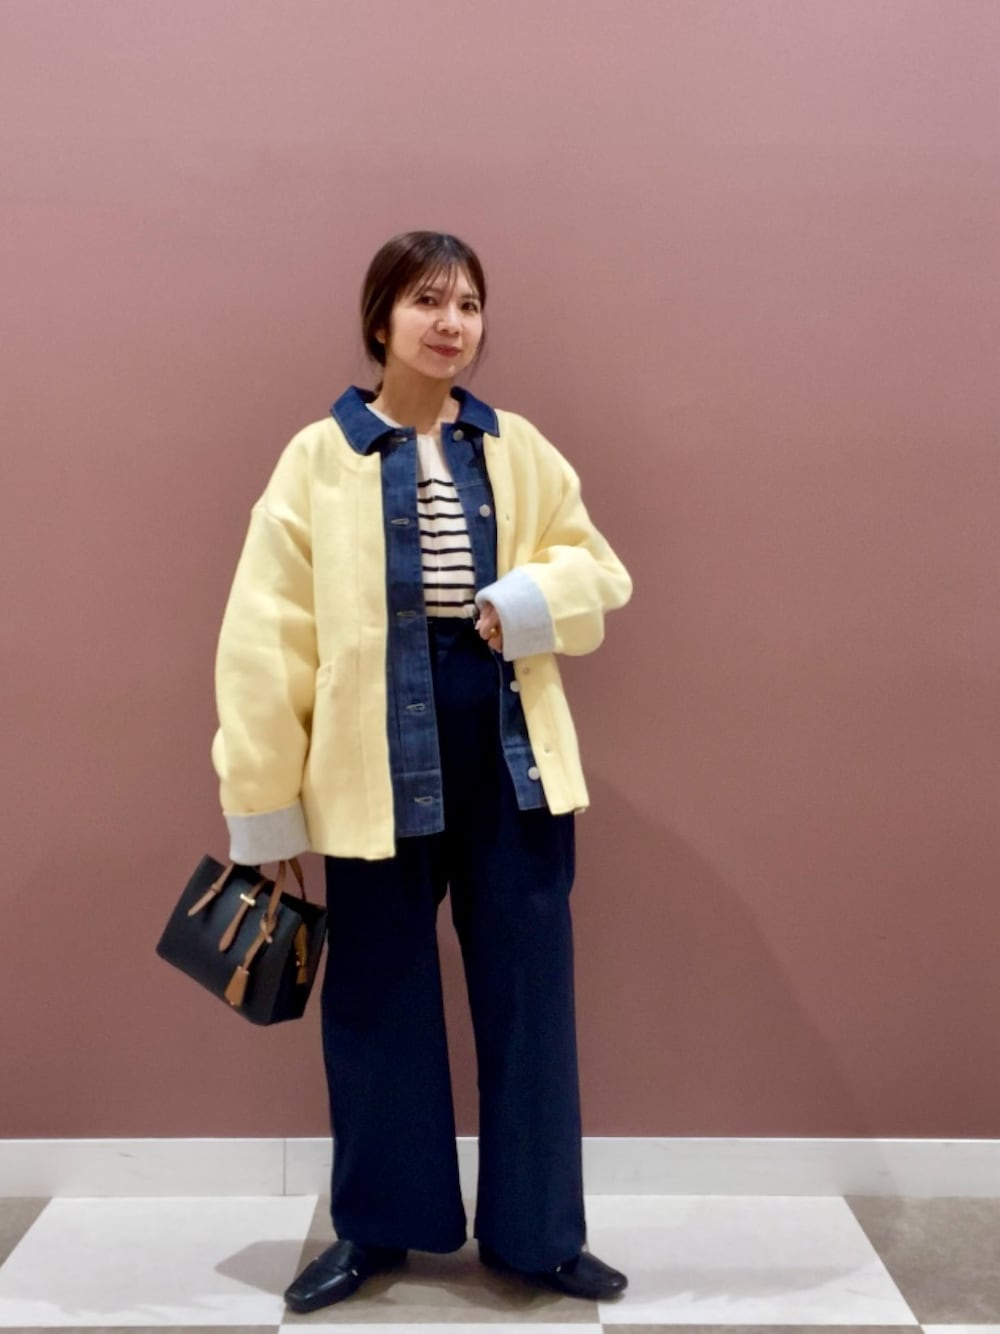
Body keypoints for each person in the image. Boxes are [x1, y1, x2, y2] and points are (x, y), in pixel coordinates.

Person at [211, 231, 633, 1314]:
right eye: (428, 301)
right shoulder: (318, 457)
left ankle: (538, 1236)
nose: (452, 323)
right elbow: (264, 638)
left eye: (469, 304)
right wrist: (265, 807)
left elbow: (597, 568)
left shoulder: (515, 445)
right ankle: (379, 1228)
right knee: (378, 995)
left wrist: (524, 599)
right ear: (381, 318)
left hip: (508, 751)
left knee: (530, 995)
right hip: (371, 764)